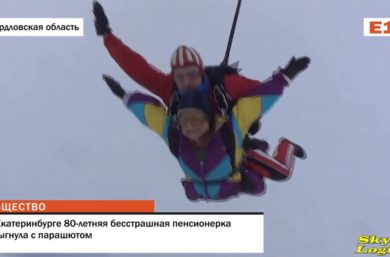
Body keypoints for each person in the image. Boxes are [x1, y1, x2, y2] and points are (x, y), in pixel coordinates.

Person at [102, 56, 310, 201]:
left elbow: (255, 103)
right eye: (185, 120)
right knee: (257, 187)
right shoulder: (176, 137)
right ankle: (256, 150)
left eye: (196, 119)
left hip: (239, 161)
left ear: (209, 120)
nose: (191, 126)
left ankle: (286, 145)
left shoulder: (228, 130)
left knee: (281, 172)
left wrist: (285, 76)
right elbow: (151, 114)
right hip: (228, 179)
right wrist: (125, 95)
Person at [93, 0, 281, 151]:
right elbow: (137, 67)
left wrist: (254, 116)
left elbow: (262, 89)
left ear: (201, 72)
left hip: (229, 139)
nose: (186, 81)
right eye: (180, 76)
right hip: (199, 149)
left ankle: (273, 149)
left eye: (191, 74)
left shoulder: (225, 86)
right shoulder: (169, 89)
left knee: (270, 172)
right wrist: (107, 37)